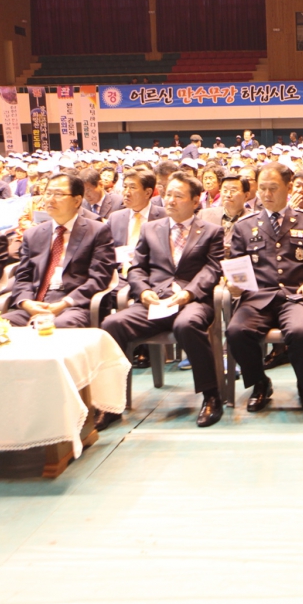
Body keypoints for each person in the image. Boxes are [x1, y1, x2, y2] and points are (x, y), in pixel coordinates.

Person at [100, 173, 226, 428]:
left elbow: (212, 270)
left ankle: (211, 396)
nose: (170, 200)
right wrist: (143, 291)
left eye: (178, 196)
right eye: (167, 194)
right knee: (111, 325)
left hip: (192, 301)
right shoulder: (151, 228)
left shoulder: (211, 231)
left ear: (195, 201)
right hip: (155, 300)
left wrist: (189, 293)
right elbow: (136, 268)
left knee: (186, 325)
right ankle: (110, 403)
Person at [226, 162, 303, 413]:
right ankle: (260, 384)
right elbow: (235, 266)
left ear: (288, 188)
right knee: (236, 331)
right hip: (257, 298)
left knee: (301, 332)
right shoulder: (244, 225)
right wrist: (233, 286)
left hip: (296, 296)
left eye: (273, 188)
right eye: (262, 188)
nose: (266, 194)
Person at [2, 173, 117, 329]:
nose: (50, 199)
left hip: (74, 306)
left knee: (58, 327)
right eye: (48, 193)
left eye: (58, 194)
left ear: (77, 201)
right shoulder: (33, 234)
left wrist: (64, 303)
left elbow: (99, 278)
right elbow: (23, 277)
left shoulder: (97, 231)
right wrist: (27, 303)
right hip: (36, 304)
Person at [197, 175, 254, 257]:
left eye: (233, 190)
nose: (228, 195)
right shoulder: (204, 215)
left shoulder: (253, 220)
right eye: (225, 190)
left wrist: (236, 250)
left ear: (246, 196)